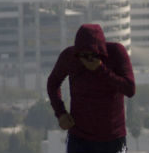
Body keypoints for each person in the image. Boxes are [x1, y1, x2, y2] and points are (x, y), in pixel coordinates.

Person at [47, 23, 135, 153]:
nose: (86, 59)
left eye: (90, 54)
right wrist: (61, 113)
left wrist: (101, 69)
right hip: (80, 138)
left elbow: (130, 89)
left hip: (113, 137)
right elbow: (53, 83)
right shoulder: (70, 57)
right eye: (82, 55)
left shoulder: (116, 53)